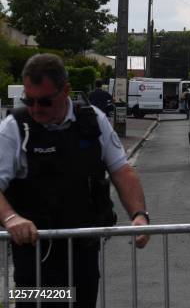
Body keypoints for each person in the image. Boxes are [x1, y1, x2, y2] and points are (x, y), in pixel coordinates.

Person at [0, 54, 150, 308]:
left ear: (66, 91)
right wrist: (11, 218)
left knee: (81, 303)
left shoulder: (92, 122)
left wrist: (139, 214)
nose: (35, 109)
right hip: (35, 256)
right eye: (29, 100)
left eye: (45, 102)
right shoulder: (15, 128)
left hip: (83, 251)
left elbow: (122, 171)